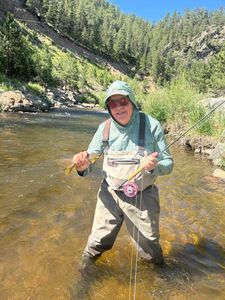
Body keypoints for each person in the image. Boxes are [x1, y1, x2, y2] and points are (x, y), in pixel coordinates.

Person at [73, 80, 174, 267]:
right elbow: (88, 167)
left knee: (150, 249)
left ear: (132, 102)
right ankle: (83, 274)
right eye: (112, 103)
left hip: (143, 195)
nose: (118, 107)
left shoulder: (152, 125)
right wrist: (81, 167)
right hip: (109, 194)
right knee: (96, 243)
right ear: (108, 107)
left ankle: (161, 277)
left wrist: (154, 166)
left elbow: (169, 164)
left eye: (123, 101)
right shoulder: (104, 130)